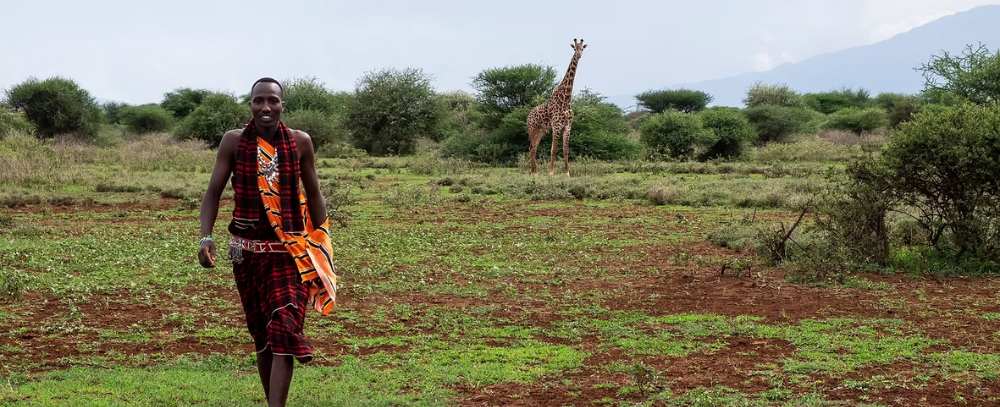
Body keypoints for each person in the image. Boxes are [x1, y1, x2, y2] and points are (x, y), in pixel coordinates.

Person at [197, 77, 338, 407]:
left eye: (272, 101)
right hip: (247, 256)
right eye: (259, 100)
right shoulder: (233, 142)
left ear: (282, 105)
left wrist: (323, 243)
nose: (266, 107)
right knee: (263, 337)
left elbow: (314, 193)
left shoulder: (300, 142)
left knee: (283, 326)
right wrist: (206, 237)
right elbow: (212, 194)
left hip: (291, 255)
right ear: (250, 105)